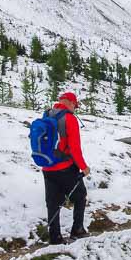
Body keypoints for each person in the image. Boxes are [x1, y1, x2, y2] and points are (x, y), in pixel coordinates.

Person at [42, 91, 90, 244]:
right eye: (75, 105)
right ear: (69, 102)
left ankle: (54, 237)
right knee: (80, 195)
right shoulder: (69, 119)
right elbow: (75, 148)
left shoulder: (47, 114)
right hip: (65, 167)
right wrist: (84, 167)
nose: (75, 108)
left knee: (52, 202)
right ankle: (78, 229)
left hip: (47, 166)